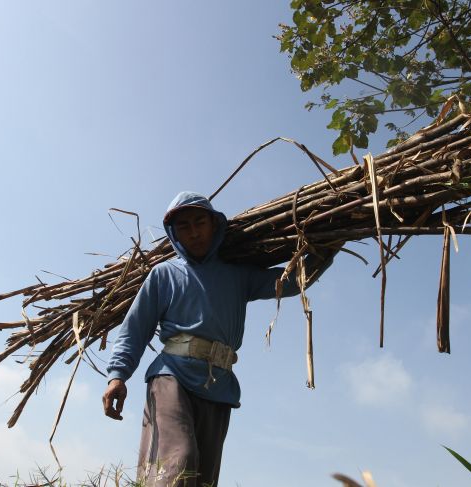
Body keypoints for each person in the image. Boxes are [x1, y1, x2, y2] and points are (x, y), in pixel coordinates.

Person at [102, 191, 338, 487]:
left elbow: (291, 281)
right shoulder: (164, 275)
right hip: (171, 376)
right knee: (179, 460)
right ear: (174, 234)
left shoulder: (237, 277)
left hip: (218, 383)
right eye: (184, 227)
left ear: (214, 225)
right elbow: (134, 328)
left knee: (204, 477)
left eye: (200, 222)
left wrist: (331, 242)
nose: (194, 232)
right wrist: (117, 376)